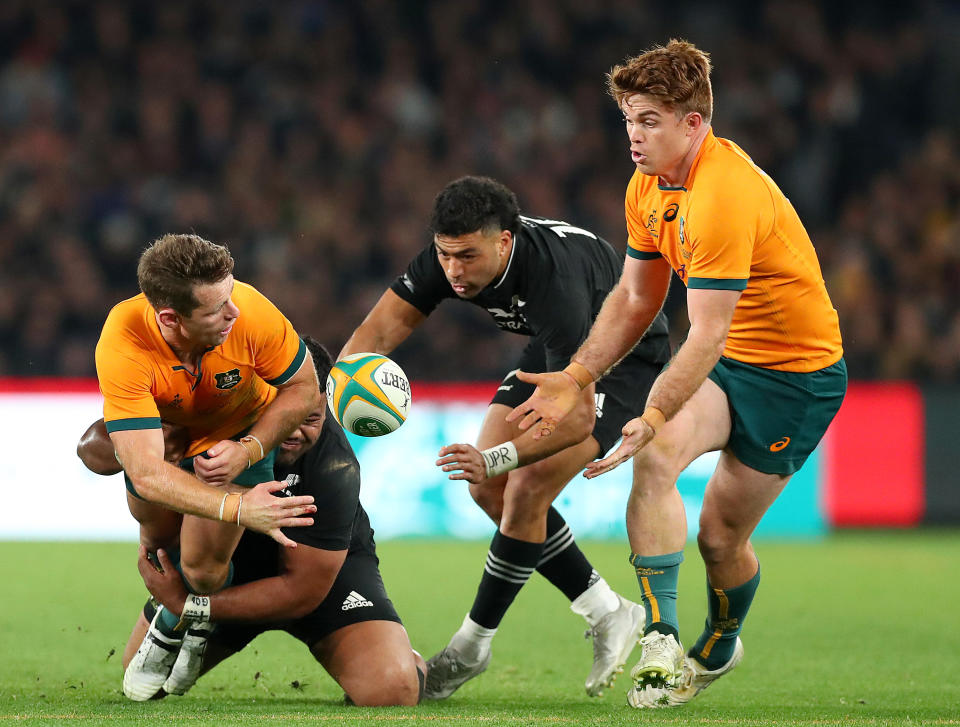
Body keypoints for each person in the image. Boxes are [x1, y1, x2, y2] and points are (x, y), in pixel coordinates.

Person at [508, 40, 847, 708]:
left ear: (693, 123)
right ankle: (661, 638)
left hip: (793, 379)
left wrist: (653, 409)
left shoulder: (723, 193)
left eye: (650, 121)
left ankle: (719, 643)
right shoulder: (648, 186)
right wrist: (576, 376)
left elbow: (707, 332)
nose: (634, 136)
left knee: (721, 537)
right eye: (630, 119)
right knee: (656, 455)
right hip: (731, 362)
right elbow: (637, 299)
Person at [339, 176, 672, 698]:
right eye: (446, 256)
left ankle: (470, 648)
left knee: (526, 487)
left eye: (467, 257)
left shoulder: (552, 282)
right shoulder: (444, 260)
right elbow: (375, 336)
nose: (454, 271)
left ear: (505, 241)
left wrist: (494, 457)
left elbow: (579, 419)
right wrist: (338, 393)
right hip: (554, 351)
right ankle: (608, 612)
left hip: (622, 358)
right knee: (488, 490)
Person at [79, 338, 426, 706]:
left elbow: (302, 591)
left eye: (309, 418)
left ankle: (409, 661)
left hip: (319, 579)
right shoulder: (210, 414)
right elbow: (91, 447)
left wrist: (189, 606)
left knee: (393, 689)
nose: (293, 432)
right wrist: (141, 443)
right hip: (222, 572)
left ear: (325, 405)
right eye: (278, 417)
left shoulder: (335, 468)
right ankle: (192, 596)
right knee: (142, 676)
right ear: (250, 400)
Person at [93, 233, 321, 700]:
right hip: (169, 440)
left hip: (240, 433)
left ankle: (183, 621)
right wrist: (240, 509)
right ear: (170, 319)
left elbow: (304, 387)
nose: (233, 313)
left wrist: (251, 449)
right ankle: (187, 617)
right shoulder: (123, 342)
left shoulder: (250, 310)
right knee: (154, 546)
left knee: (201, 571)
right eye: (217, 310)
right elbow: (147, 473)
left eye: (231, 296)